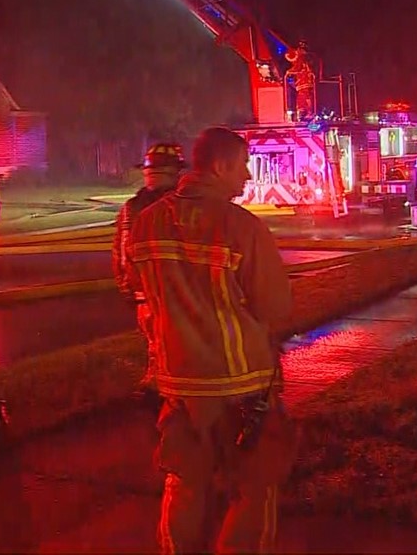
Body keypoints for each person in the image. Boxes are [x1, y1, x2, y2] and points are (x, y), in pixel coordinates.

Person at [127, 127, 296, 554]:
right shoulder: (242, 226)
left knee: (185, 482)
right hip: (243, 387)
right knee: (255, 486)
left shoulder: (145, 223)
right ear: (220, 167)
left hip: (178, 385)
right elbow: (275, 308)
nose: (247, 176)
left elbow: (137, 287)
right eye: (243, 166)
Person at [111, 143, 186, 397]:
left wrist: (127, 289)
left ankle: (157, 388)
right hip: (175, 295)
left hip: (144, 294)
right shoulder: (179, 206)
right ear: (174, 172)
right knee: (174, 346)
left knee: (157, 344)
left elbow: (121, 253)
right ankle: (169, 395)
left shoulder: (131, 208)